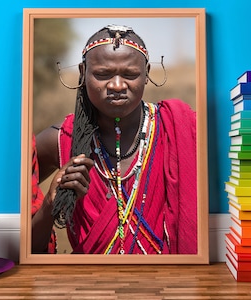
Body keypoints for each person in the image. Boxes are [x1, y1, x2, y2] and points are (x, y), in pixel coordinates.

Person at [31, 24, 197, 255]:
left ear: (147, 72)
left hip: (166, 284)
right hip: (89, 287)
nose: (117, 86)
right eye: (102, 74)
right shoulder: (60, 140)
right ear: (83, 71)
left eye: (130, 75)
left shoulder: (177, 130)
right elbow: (27, 248)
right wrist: (51, 203)